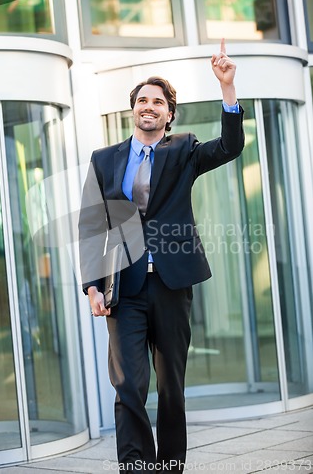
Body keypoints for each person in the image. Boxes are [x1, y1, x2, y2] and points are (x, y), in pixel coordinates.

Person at [79, 39, 245, 473]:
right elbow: (91, 226)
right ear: (132, 109)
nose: (148, 107)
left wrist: (227, 88)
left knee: (171, 386)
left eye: (158, 102)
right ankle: (136, 467)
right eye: (142, 101)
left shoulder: (184, 150)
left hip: (172, 285)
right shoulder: (104, 160)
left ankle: (169, 465)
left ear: (169, 113)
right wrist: (93, 285)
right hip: (124, 288)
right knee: (129, 385)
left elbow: (230, 147)